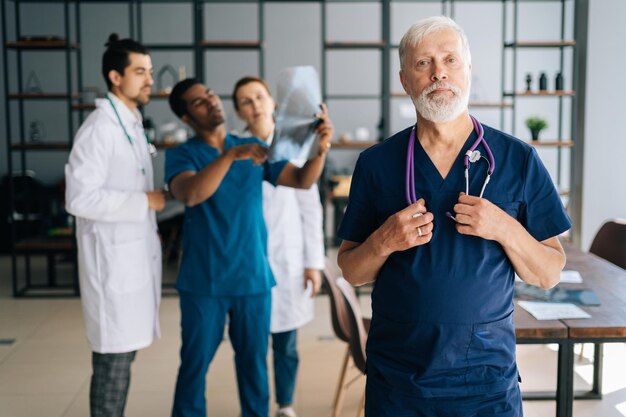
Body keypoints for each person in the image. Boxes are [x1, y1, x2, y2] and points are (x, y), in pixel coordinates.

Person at [336, 16, 571, 416]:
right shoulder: (376, 164)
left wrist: (504, 228)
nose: (438, 73)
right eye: (423, 63)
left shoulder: (517, 159)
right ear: (405, 79)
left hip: (486, 380)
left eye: (450, 60)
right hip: (399, 379)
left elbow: (548, 273)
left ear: (468, 70)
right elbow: (352, 270)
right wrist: (383, 241)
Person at [164, 78, 332, 417]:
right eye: (198, 102)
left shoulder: (251, 146)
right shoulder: (183, 154)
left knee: (254, 369)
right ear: (186, 118)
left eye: (210, 93)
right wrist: (230, 155)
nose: (210, 101)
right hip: (204, 282)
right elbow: (191, 193)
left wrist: (321, 150)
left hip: (253, 280)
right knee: (194, 366)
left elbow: (301, 181)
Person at [65, 34, 166, 417]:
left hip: (129, 262)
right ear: (115, 77)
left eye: (150, 72)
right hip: (111, 268)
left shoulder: (130, 122)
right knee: (112, 365)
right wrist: (144, 201)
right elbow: (78, 199)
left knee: (121, 362)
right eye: (140, 72)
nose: (149, 81)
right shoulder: (99, 128)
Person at [232, 76, 325, 417]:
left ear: (272, 102)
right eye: (245, 101)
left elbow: (309, 209)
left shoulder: (295, 145)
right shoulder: (233, 149)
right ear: (239, 111)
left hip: (288, 256)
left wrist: (313, 262)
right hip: (248, 258)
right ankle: (255, 408)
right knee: (251, 344)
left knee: (286, 342)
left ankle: (285, 404)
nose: (254, 104)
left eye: (259, 96)